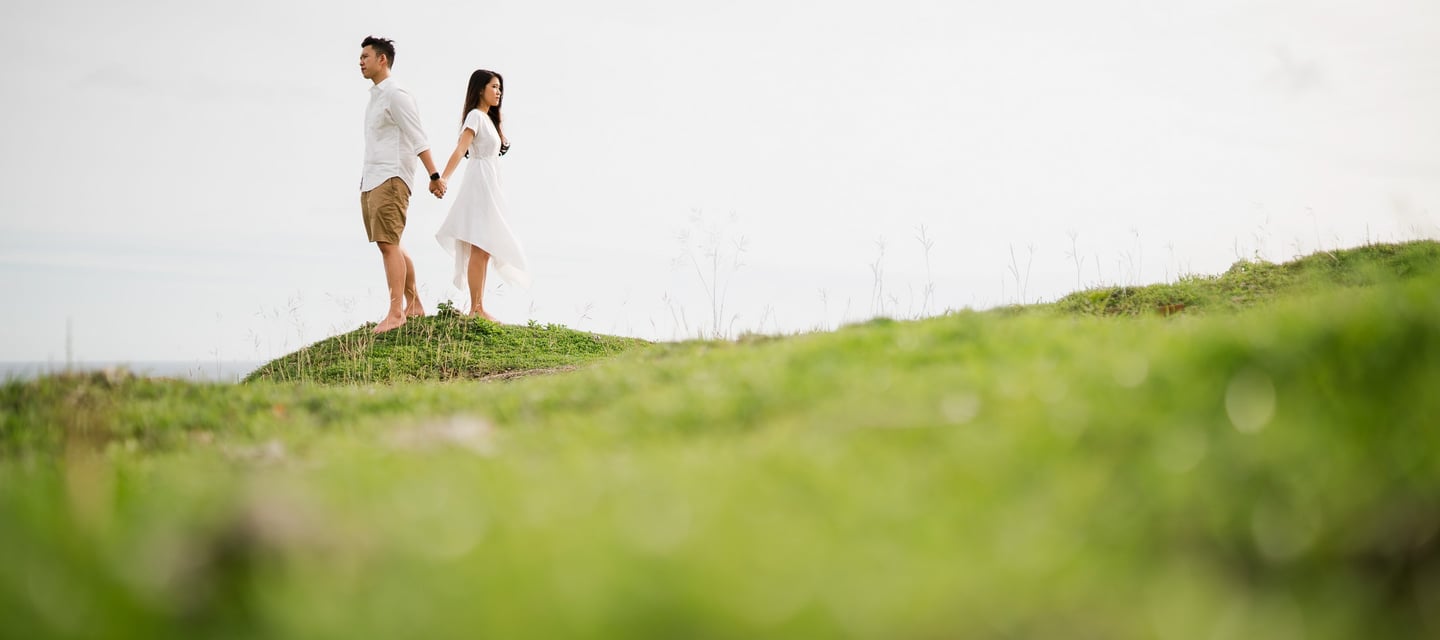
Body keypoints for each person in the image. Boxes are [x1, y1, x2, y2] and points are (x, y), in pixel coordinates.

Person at [357, 35, 445, 334]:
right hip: (372, 178)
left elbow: (418, 136)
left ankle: (396, 313)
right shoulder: (377, 97)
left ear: (382, 60)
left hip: (391, 177)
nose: (361, 61)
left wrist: (435, 176)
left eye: (366, 56)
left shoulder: (397, 94)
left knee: (388, 244)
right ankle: (415, 304)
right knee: (390, 243)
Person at [434, 69, 532, 321]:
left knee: (485, 247)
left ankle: (478, 305)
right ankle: (476, 308)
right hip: (479, 183)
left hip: (491, 183)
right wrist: (443, 177)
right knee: (480, 244)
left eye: (500, 88)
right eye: (494, 87)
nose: (498, 92)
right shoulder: (475, 117)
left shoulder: (489, 120)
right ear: (480, 89)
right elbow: (460, 150)